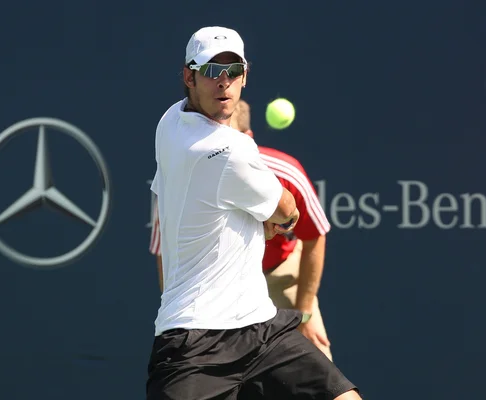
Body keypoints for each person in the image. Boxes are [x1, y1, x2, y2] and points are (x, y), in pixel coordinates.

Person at [146, 26, 361, 400]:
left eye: (233, 71)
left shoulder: (169, 122)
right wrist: (278, 221)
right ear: (189, 76)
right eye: (212, 71)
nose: (224, 82)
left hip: (260, 326)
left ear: (246, 75)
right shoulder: (232, 150)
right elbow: (287, 209)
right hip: (196, 341)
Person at [150, 99, 335, 361]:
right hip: (214, 284)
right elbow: (164, 251)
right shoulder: (183, 177)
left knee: (320, 373)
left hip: (280, 274)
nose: (221, 148)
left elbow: (314, 234)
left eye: (229, 137)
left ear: (248, 139)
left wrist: (304, 311)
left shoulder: (286, 172)